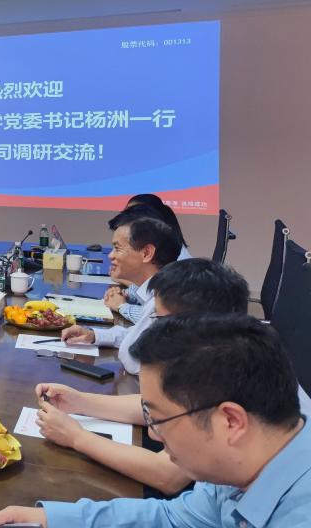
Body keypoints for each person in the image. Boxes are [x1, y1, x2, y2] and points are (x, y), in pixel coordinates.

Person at [0, 314, 311, 528]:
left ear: (231, 422)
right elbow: (175, 525)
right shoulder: (248, 463)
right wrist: (52, 520)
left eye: (158, 418)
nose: (152, 433)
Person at [34, 259, 251, 495]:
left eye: (157, 319)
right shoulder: (211, 351)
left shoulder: (226, 373)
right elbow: (158, 407)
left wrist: (76, 437)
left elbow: (167, 475)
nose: (151, 328)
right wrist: (79, 402)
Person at [61, 214, 181, 374]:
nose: (110, 255)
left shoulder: (164, 301)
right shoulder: (157, 290)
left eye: (117, 248)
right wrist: (94, 335)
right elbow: (139, 335)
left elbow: (133, 360)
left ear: (147, 253)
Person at [112, 199, 191, 323]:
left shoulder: (171, 282)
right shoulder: (156, 280)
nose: (111, 255)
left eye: (117, 248)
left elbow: (152, 321)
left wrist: (121, 306)